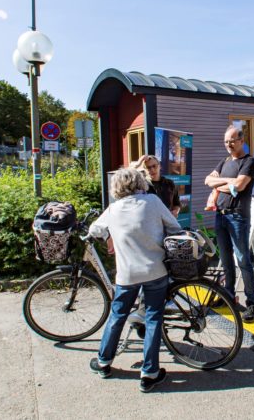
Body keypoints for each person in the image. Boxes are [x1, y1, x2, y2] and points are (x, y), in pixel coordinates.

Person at [87, 168, 182, 392]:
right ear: (140, 182)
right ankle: (149, 373)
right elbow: (175, 227)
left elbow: (95, 229)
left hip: (127, 274)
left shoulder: (114, 208)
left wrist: (110, 237)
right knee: (153, 318)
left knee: (117, 315)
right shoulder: (153, 201)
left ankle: (103, 362)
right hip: (155, 270)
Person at [205, 126, 254, 322]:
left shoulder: (249, 162)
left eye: (232, 141)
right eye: (226, 141)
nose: (228, 144)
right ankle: (228, 296)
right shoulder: (225, 161)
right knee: (226, 260)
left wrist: (224, 183)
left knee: (243, 260)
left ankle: (251, 303)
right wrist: (229, 182)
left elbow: (239, 186)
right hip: (220, 216)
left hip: (237, 217)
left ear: (241, 141)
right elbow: (207, 180)